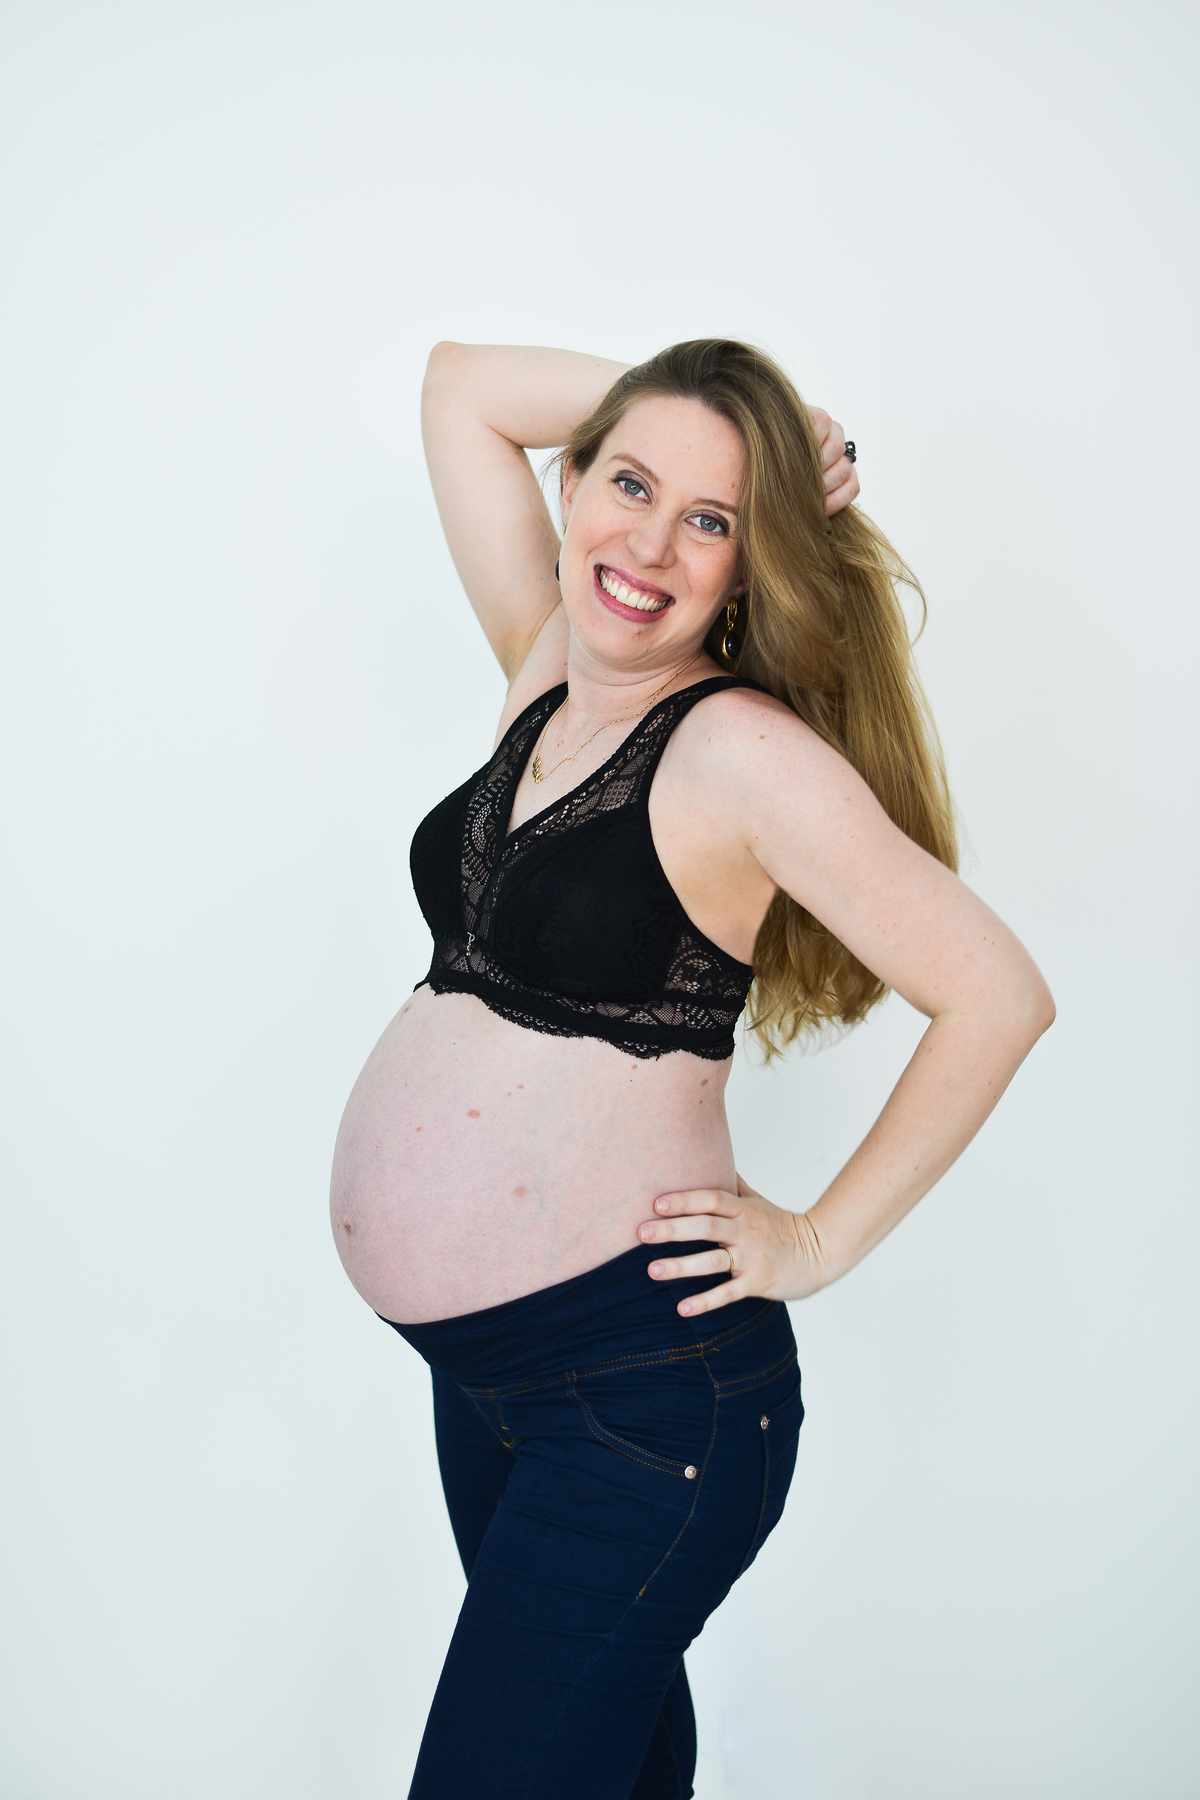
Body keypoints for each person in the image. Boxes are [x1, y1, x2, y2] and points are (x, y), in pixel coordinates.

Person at [330, 339, 1054, 1799]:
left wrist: (817, 1240)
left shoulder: (738, 754)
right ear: (578, 485)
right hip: (490, 1382)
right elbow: (460, 388)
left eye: (711, 520)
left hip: (638, 1401)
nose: (650, 544)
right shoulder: (547, 666)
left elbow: (998, 995)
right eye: (629, 484)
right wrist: (753, 426)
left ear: (748, 565)